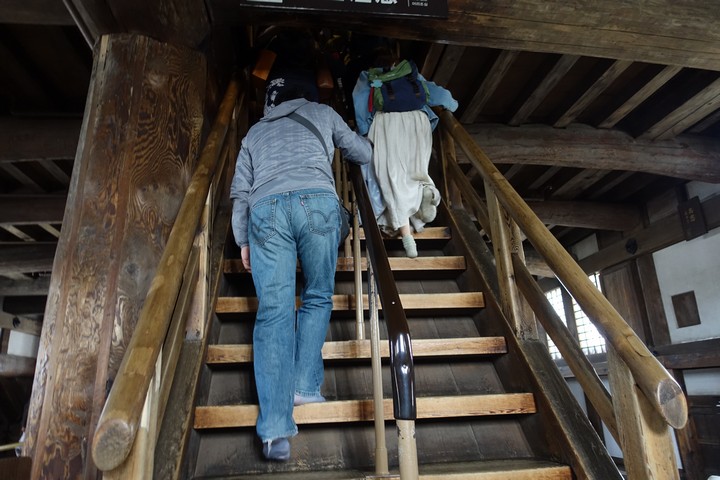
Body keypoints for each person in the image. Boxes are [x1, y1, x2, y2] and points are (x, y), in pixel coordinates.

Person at [230, 85, 372, 462]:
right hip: (318, 201)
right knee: (318, 295)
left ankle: (275, 430)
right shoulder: (323, 113)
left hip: (266, 209)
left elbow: (240, 192)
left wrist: (243, 239)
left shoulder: (254, 132)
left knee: (273, 310)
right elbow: (361, 152)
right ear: (305, 94)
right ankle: (304, 386)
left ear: (270, 101)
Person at [353, 51, 458, 257]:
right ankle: (426, 192)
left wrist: (364, 130)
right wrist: (452, 105)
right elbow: (437, 94)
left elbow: (360, 103)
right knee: (416, 170)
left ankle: (405, 232)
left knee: (392, 177)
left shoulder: (369, 76)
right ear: (396, 61)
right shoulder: (410, 73)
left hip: (386, 125)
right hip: (418, 124)